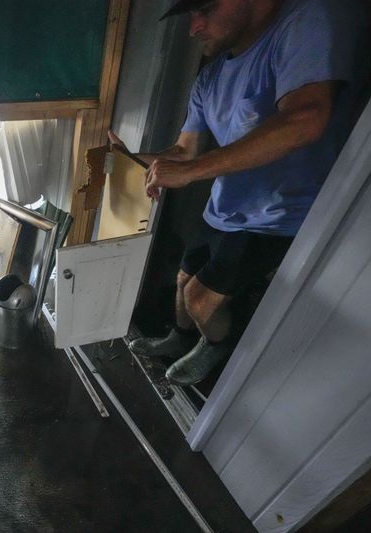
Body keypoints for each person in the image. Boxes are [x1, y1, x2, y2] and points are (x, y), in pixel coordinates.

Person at [113, 0, 368, 385]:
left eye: (205, 10)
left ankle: (216, 346)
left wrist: (191, 172)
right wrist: (124, 160)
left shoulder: (304, 24)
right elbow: (183, 151)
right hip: (224, 207)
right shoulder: (210, 77)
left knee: (201, 298)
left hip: (277, 217)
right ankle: (178, 339)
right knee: (183, 282)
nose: (194, 28)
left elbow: (305, 120)